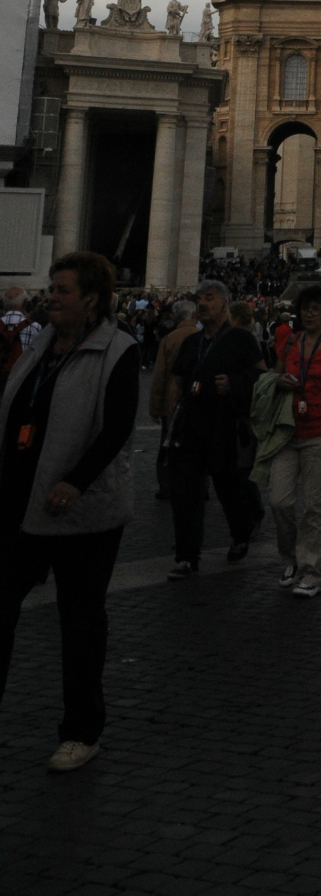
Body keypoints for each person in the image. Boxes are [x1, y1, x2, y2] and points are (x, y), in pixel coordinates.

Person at [0, 253, 140, 772]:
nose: (51, 297)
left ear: (92, 299)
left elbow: (118, 427)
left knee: (80, 622)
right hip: (18, 502)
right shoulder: (39, 346)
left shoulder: (119, 350)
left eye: (61, 291)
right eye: (51, 290)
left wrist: (74, 482)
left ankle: (82, 731)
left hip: (81, 513)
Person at [164, 280, 263, 576]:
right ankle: (186, 555)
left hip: (224, 425)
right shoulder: (191, 342)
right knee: (185, 492)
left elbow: (262, 377)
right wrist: (170, 420)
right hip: (191, 425)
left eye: (209, 298)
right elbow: (177, 381)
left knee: (228, 487)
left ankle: (241, 532)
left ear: (224, 303)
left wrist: (235, 384)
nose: (203, 303)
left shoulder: (242, 339)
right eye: (199, 299)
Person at [268, 283, 321, 597]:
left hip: (320, 433)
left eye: (316, 309)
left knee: (313, 507)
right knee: (280, 501)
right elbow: (273, 379)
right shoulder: (290, 342)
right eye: (306, 309)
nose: (310, 314)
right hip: (287, 432)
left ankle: (311, 572)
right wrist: (282, 381)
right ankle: (290, 557)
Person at [149, 296, 198, 499]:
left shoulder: (169, 339)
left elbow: (159, 376)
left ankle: (166, 486)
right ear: (194, 315)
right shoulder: (203, 337)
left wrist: (155, 407)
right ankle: (198, 487)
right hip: (197, 400)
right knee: (196, 446)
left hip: (172, 402)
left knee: (167, 446)